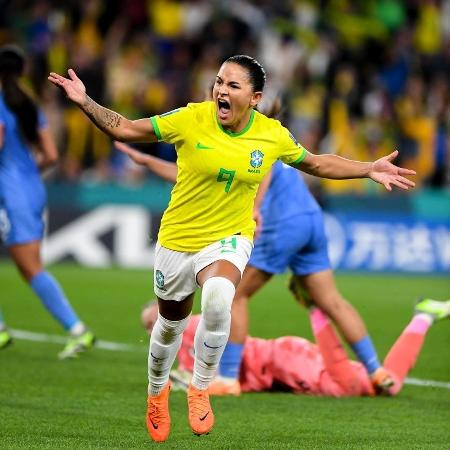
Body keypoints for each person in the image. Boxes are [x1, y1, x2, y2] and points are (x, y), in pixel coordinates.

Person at [48, 54, 415, 442]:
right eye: (219, 81)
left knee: (222, 297)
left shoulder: (271, 134)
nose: (221, 90)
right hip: (177, 240)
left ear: (254, 98)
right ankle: (156, 393)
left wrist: (367, 168)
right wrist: (86, 102)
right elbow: (123, 128)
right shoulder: (190, 118)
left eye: (232, 85)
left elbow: (318, 164)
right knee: (169, 325)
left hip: (230, 237)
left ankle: (202, 388)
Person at [115, 131, 394, 397]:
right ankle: (376, 370)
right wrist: (149, 161)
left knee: (233, 294)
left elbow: (265, 169)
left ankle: (227, 378)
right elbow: (192, 177)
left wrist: (254, 208)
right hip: (310, 219)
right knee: (332, 301)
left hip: (281, 222)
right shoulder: (268, 134)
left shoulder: (241, 140)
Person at [141, 295, 450, 397]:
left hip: (282, 358)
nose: (155, 326)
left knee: (352, 385)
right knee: (386, 386)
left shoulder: (195, 325)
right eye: (149, 326)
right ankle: (423, 317)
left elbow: (227, 327)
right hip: (281, 373)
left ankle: (315, 309)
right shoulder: (178, 350)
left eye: (154, 319)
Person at [0, 45, 95, 359]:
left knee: (31, 268)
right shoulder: (28, 103)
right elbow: (52, 155)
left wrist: (13, 180)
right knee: (30, 267)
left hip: (9, 192)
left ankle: (78, 330)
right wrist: (26, 175)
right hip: (31, 188)